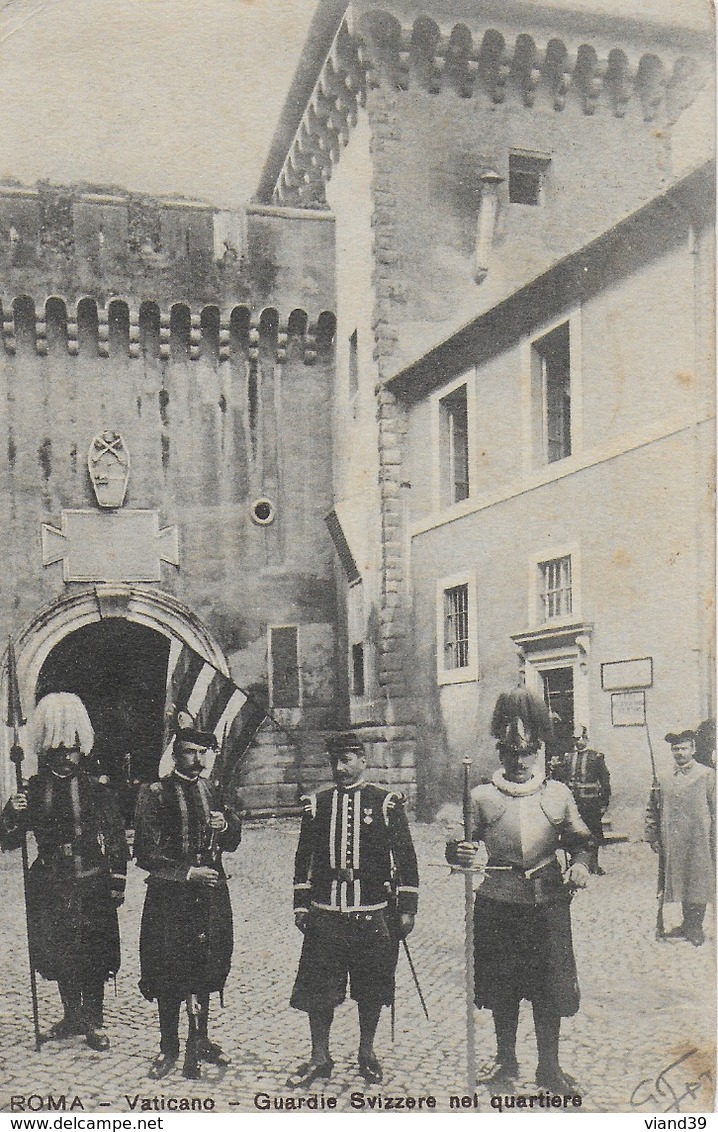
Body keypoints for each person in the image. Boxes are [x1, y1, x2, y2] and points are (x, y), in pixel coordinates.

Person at [448, 690, 593, 1093]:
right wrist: (459, 851)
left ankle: (550, 1067)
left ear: (539, 751)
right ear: (500, 753)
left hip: (548, 902)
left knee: (550, 988)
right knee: (502, 987)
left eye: (527, 752)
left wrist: (580, 863)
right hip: (498, 901)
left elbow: (582, 839)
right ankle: (505, 1060)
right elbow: (458, 845)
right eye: (511, 752)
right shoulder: (480, 796)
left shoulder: (558, 794)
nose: (519, 760)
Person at [286, 732, 419, 1089]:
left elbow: (406, 858)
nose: (340, 768)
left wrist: (407, 909)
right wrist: (301, 904)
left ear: (363, 760)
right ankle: (319, 1056)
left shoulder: (385, 803)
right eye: (335, 761)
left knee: (371, 986)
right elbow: (304, 859)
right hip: (325, 911)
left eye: (347, 760)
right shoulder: (318, 804)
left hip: (372, 909)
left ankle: (366, 1052)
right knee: (319, 988)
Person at [0, 693, 128, 1051]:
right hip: (51, 883)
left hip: (91, 880)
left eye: (72, 749)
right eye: (59, 750)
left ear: (80, 748)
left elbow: (117, 839)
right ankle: (72, 1016)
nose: (67, 757)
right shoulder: (34, 789)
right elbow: (8, 841)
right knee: (60, 951)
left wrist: (118, 882)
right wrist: (12, 812)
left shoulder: (96, 789)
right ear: (47, 751)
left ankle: (94, 1020)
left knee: (93, 951)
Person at [133, 718, 242, 1080]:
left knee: (206, 965)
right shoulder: (156, 793)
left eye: (201, 752)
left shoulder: (213, 790)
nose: (196, 759)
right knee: (168, 970)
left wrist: (226, 827)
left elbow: (232, 840)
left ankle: (201, 1040)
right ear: (175, 755)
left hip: (210, 896)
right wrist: (186, 873)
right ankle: (169, 1046)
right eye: (188, 753)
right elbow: (145, 852)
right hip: (170, 898)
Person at [645, 730, 715, 946]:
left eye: (683, 748)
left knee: (697, 880)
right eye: (675, 749)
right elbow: (652, 808)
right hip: (673, 841)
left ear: (692, 750)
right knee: (680, 880)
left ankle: (695, 926)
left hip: (699, 840)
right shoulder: (663, 777)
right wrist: (652, 835)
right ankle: (686, 923)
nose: (679, 753)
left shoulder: (707, 775)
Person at [549, 725, 611, 874]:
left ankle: (594, 865)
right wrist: (554, 768)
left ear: (587, 739)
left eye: (581, 738)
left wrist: (604, 803)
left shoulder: (596, 757)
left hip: (591, 804)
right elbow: (559, 779)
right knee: (572, 834)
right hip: (573, 804)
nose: (579, 742)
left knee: (592, 834)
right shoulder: (567, 757)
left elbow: (605, 781)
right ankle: (574, 863)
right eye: (576, 739)